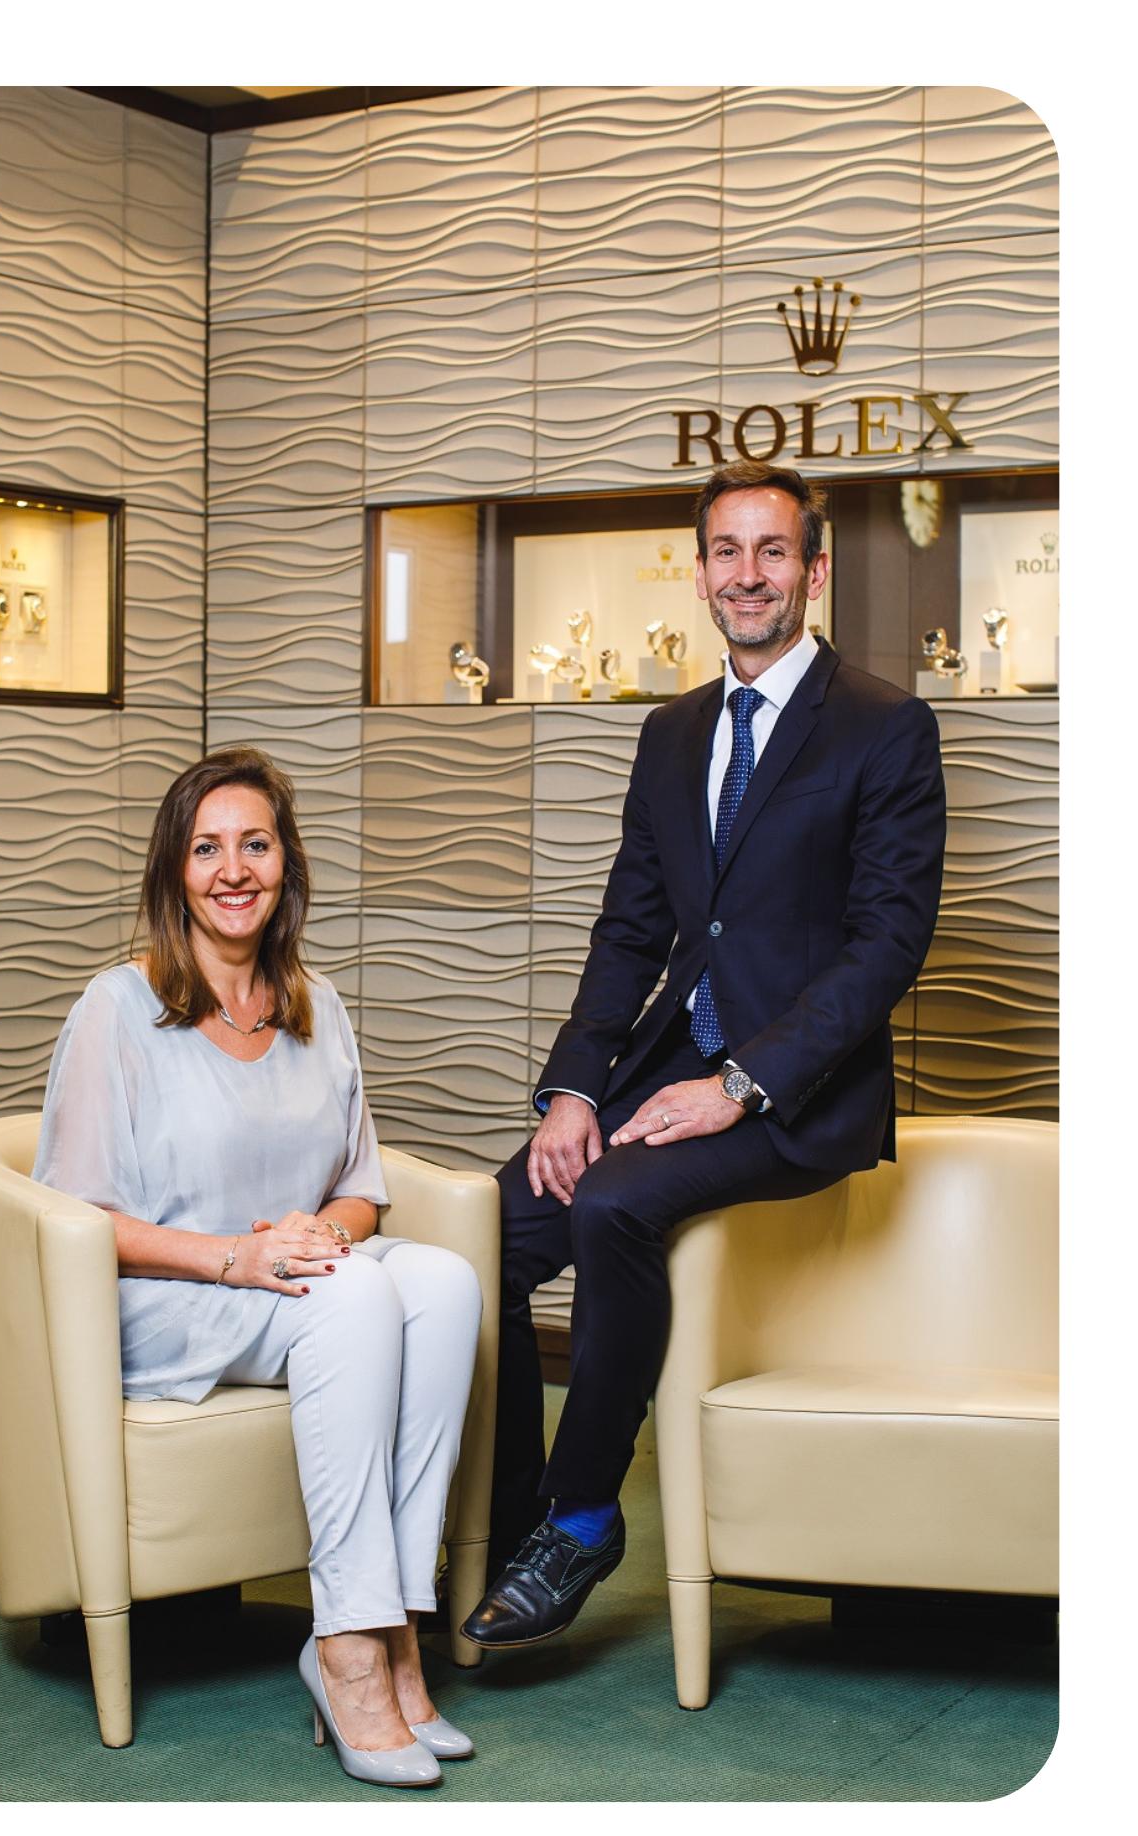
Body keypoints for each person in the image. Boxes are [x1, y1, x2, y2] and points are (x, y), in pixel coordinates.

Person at [462, 460, 946, 1650]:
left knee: (615, 1210)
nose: (747, 576)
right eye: (725, 552)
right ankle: (508, 1515)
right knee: (484, 1234)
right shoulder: (672, 732)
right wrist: (574, 1088)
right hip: (661, 1069)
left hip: (795, 1097)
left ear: (813, 571)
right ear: (698, 573)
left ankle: (580, 1520)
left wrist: (737, 1085)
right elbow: (631, 929)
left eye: (771, 552)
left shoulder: (888, 727)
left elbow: (885, 949)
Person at [32, 747, 481, 1788]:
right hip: (166, 1298)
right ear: (173, 872)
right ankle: (347, 1648)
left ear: (285, 863)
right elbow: (77, 1215)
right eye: (206, 848)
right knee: (360, 1290)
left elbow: (361, 1186)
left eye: (255, 844)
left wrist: (318, 1232)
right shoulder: (118, 1009)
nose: (233, 870)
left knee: (446, 1286)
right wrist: (236, 1258)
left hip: (291, 1286)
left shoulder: (314, 1003)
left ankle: (398, 1624)